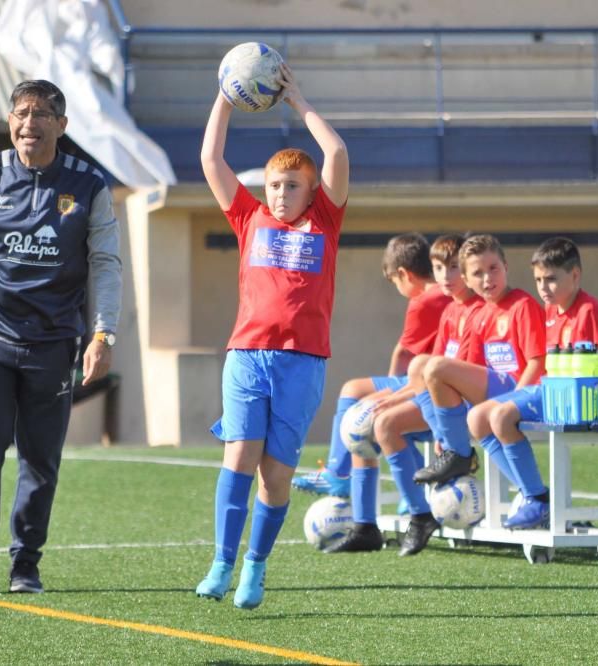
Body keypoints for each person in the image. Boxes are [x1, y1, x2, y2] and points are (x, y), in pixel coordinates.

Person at [0, 80, 123, 594]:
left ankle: (26, 561)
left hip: (54, 341)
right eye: (21, 112)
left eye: (41, 114)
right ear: (9, 120)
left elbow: (105, 263)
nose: (29, 123)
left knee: (40, 455)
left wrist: (103, 332)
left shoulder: (89, 185)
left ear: (62, 125)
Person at [194, 63, 348, 610]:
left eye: (291, 187)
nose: (280, 195)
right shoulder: (250, 217)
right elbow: (211, 160)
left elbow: (336, 156)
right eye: (274, 185)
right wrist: (226, 97)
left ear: (312, 193)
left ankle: (255, 569)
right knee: (238, 458)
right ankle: (221, 562)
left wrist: (299, 102)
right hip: (248, 356)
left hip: (303, 363)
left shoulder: (325, 223)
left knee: (275, 477)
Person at [325, 233, 484, 554]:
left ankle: (346, 481)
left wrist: (442, 427)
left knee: (374, 415)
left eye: (454, 268)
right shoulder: (452, 311)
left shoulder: (467, 309)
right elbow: (424, 375)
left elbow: (422, 363)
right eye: (440, 268)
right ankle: (366, 523)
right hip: (436, 395)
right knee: (365, 418)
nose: (445, 277)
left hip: (461, 403)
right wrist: (382, 400)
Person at [467, 237, 598, 528]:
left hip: (578, 398)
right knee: (476, 418)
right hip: (552, 392)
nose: (543, 288)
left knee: (501, 415)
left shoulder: (590, 312)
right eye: (538, 280)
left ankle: (536, 499)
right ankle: (536, 495)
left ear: (575, 275)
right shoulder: (550, 312)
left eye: (551, 279)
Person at [291, 232, 447, 498]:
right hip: (438, 380)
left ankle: (338, 474)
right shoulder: (446, 294)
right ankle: (408, 488)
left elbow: (404, 352)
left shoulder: (423, 301)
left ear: (404, 274)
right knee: (376, 409)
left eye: (393, 281)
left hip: (428, 384)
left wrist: (392, 390)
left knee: (353, 391)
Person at [415, 234, 546, 546]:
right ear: (467, 278)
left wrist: (514, 400)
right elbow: (462, 378)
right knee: (473, 418)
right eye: (478, 273)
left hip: (527, 392)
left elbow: (537, 363)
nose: (488, 278)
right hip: (499, 396)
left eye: (493, 268)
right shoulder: (481, 315)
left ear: (506, 266)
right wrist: (441, 431)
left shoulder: (522, 305)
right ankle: (537, 497)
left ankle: (458, 454)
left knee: (433, 366)